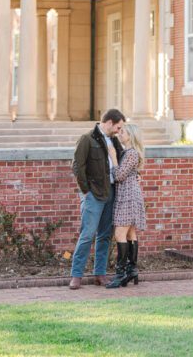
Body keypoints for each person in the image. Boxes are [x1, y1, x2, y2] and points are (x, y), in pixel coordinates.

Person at [69, 108, 125, 290]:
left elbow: (122, 163)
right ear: (109, 122)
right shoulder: (87, 139)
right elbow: (77, 166)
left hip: (111, 192)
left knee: (105, 236)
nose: (119, 130)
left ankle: (99, 274)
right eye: (118, 126)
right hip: (93, 194)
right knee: (87, 234)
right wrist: (86, 191)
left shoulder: (115, 141)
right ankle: (76, 275)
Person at [106, 122, 147, 288]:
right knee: (130, 233)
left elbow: (119, 176)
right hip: (128, 195)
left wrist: (114, 157)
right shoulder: (130, 153)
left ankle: (121, 274)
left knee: (119, 233)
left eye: (122, 132)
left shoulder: (130, 154)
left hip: (128, 197)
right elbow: (131, 173)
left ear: (131, 135)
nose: (119, 134)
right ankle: (132, 270)